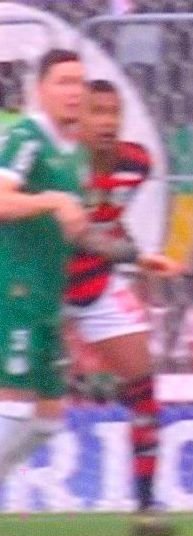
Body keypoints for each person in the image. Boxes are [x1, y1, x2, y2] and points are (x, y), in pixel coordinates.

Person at [65, 79, 183, 536]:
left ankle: (146, 506)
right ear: (76, 120)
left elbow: (112, 220)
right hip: (43, 286)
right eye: (96, 112)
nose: (107, 122)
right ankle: (80, 381)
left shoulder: (136, 163)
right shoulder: (59, 168)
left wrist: (136, 254)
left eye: (114, 112)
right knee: (29, 410)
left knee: (143, 384)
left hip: (96, 282)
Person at [0, 49, 90, 499]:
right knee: (13, 403)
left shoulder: (75, 153)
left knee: (47, 418)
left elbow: (73, 227)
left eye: (80, 83)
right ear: (40, 89)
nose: (75, 92)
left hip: (48, 295)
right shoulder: (25, 137)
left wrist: (136, 257)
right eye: (64, 82)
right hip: (13, 287)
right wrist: (53, 200)